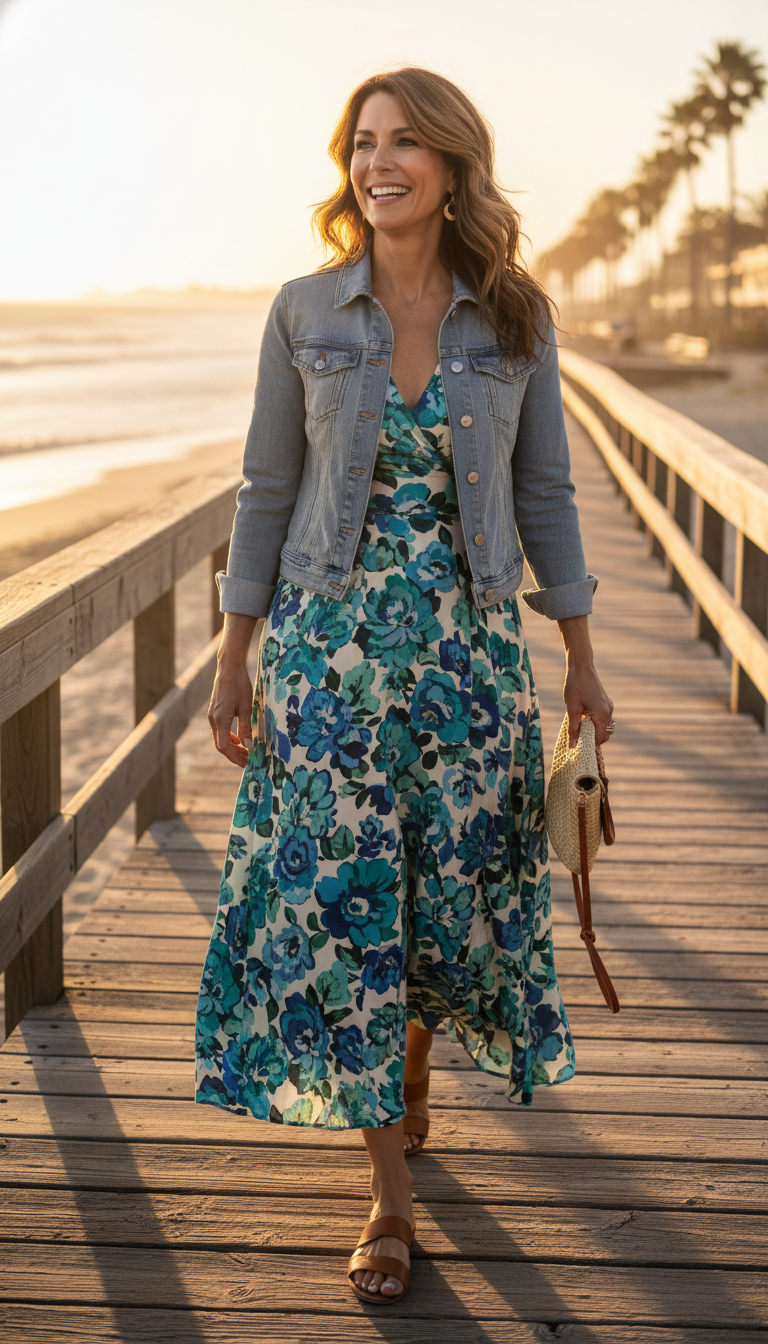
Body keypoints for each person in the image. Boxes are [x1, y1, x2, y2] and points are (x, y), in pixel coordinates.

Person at [196, 66, 614, 1307]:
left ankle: (412, 1060)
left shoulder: (516, 317)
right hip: (330, 658)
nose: (380, 162)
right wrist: (234, 655)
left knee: (453, 900)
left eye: (404, 143)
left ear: (451, 166)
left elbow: (545, 492)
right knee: (347, 907)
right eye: (363, 143)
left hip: (472, 660)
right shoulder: (304, 311)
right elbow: (265, 490)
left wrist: (584, 655)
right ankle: (389, 1197)